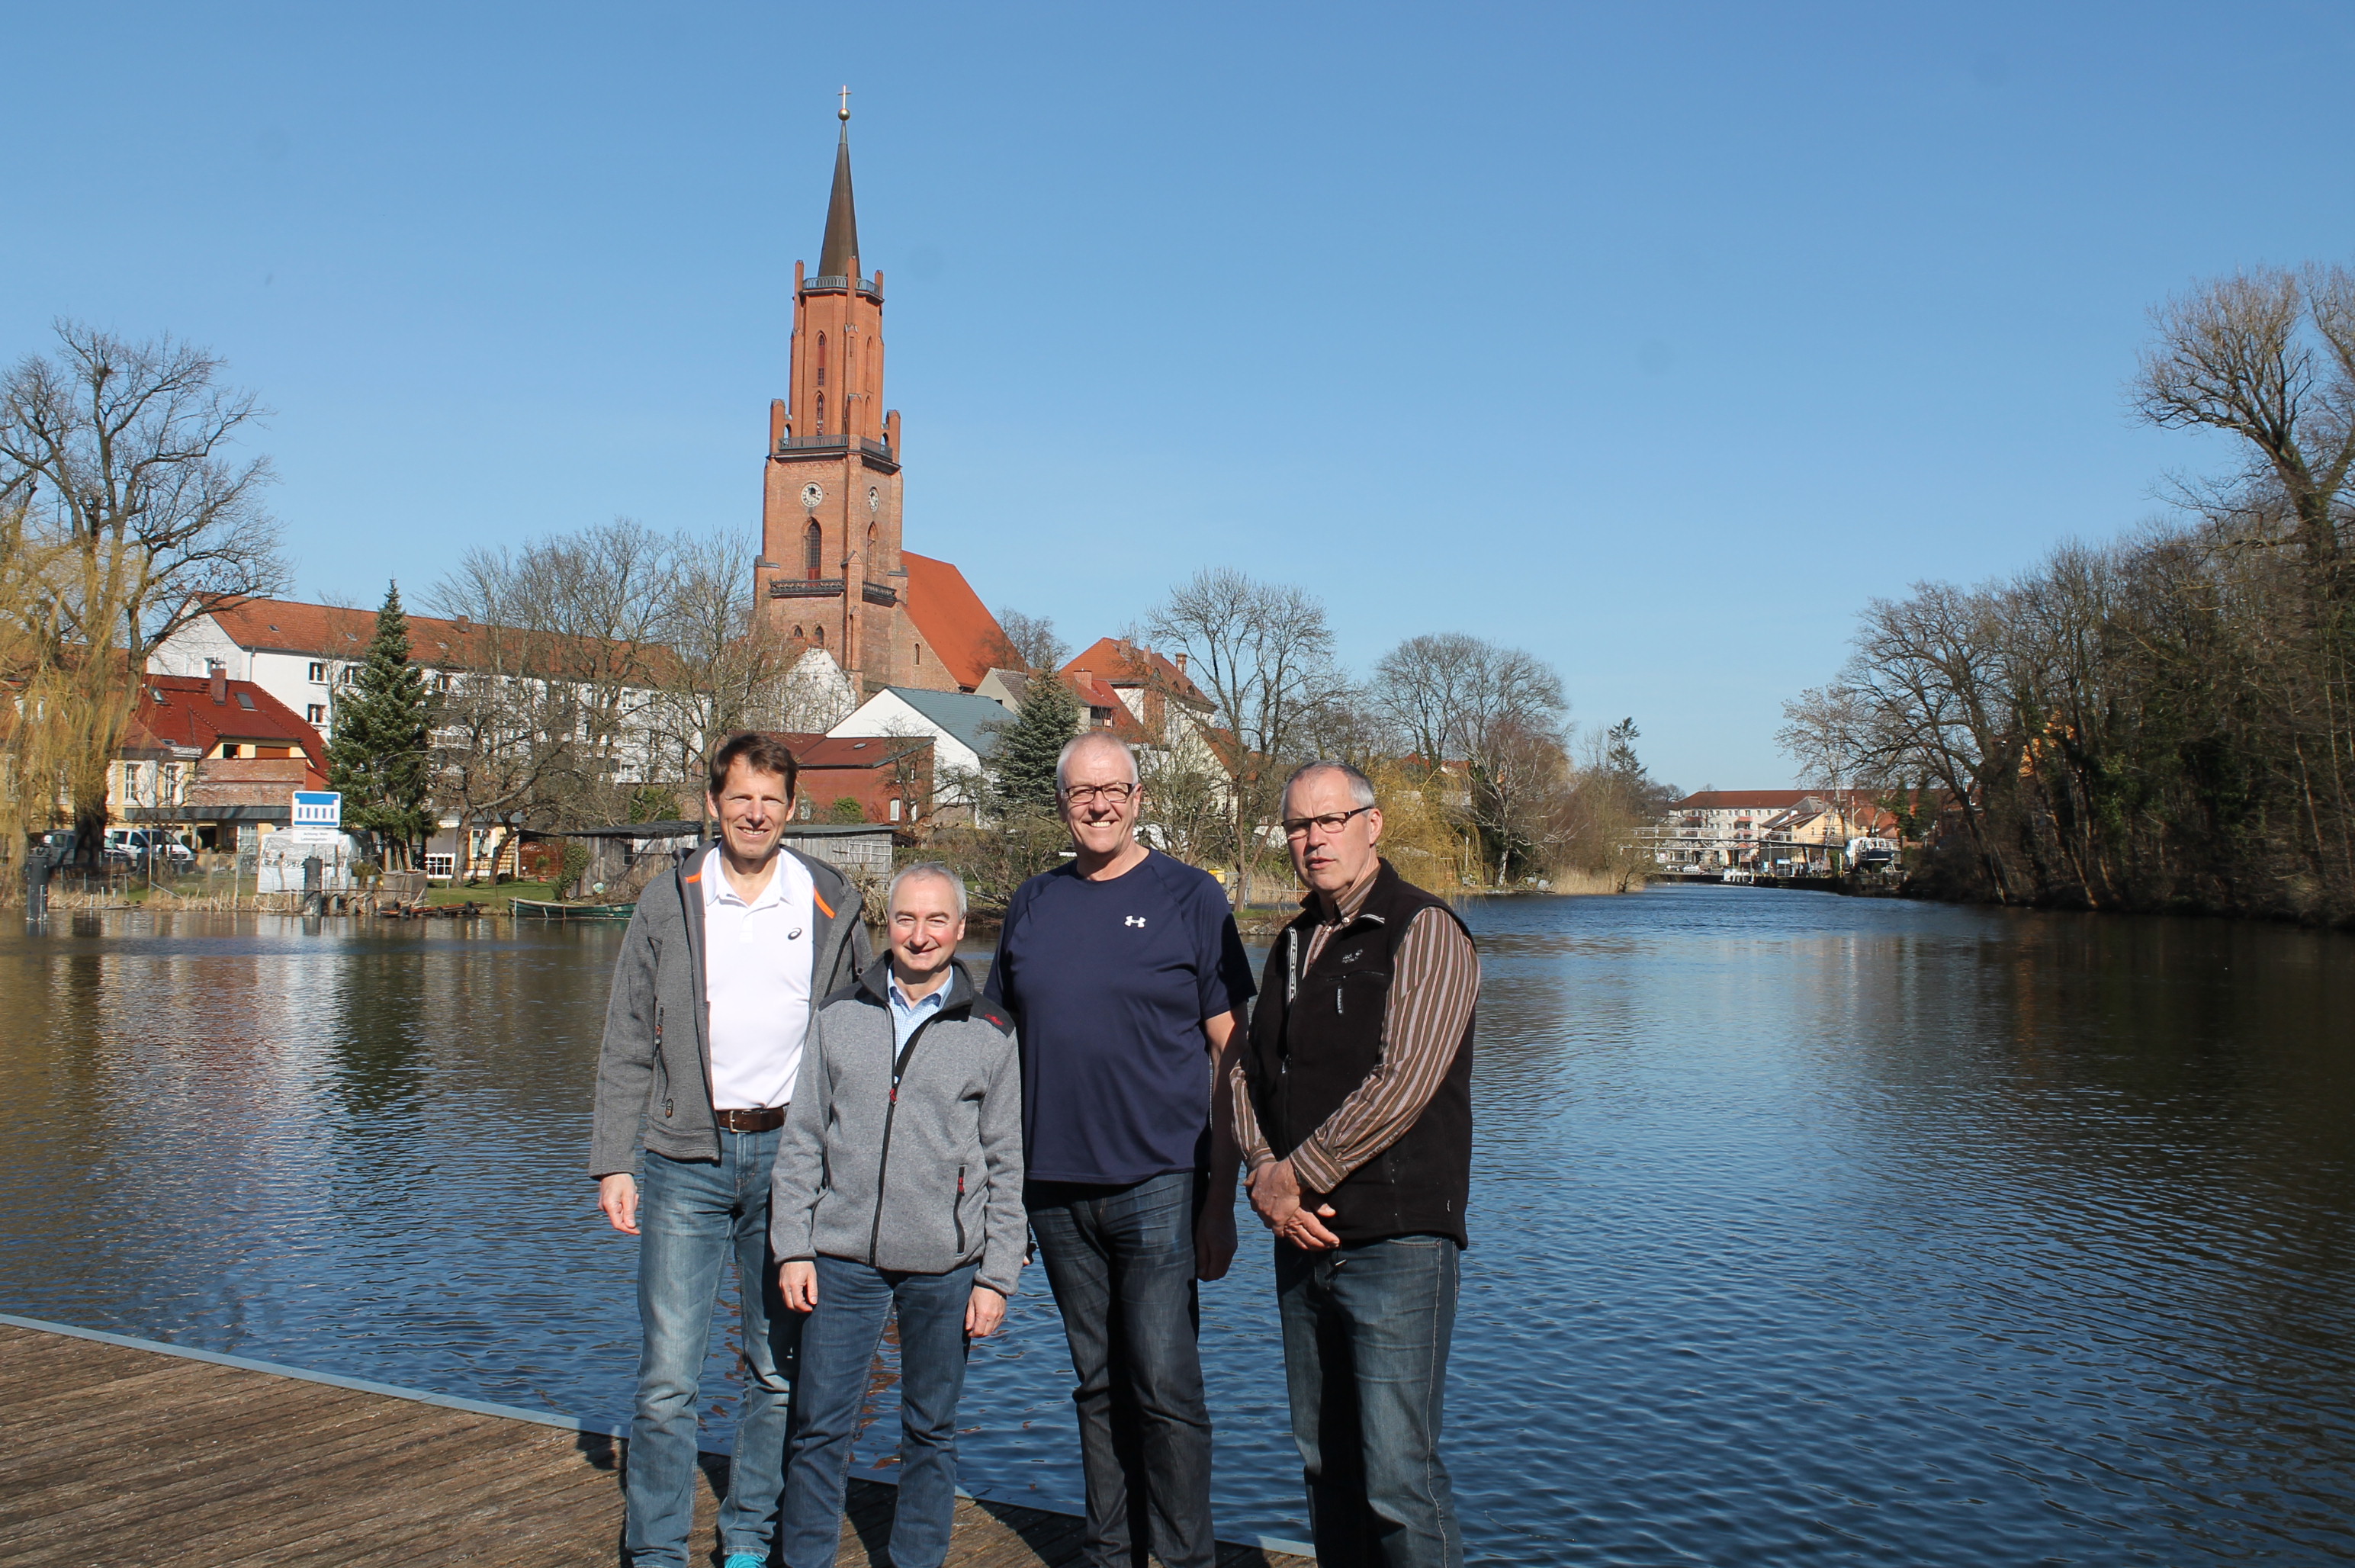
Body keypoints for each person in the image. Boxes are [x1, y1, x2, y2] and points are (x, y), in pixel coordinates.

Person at [589, 731, 872, 1568]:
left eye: (770, 801)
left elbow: (860, 1038)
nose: (755, 813)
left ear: (792, 810)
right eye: (740, 797)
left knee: (776, 1370)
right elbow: (627, 1035)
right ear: (713, 803)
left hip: (791, 1160)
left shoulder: (827, 900)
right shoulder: (669, 897)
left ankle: (748, 1536)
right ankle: (656, 1548)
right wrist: (614, 1158)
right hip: (685, 1159)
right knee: (669, 1376)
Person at [985, 731, 1257, 1568]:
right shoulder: (1033, 901)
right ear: (1061, 804)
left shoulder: (1190, 896)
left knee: (1165, 1387)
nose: (1097, 804)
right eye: (1079, 792)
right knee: (1097, 1385)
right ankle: (1110, 1551)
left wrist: (1220, 1197)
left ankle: (1180, 1558)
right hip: (1053, 1187)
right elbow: (991, 1043)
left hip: (1160, 1183)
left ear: (1139, 798)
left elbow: (1233, 1050)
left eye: (1113, 790)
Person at [1234, 760, 1482, 1568]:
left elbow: (1404, 1081)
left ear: (1372, 824)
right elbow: (1245, 1068)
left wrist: (1293, 1173)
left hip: (1397, 1241)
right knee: (1324, 1462)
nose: (1314, 839)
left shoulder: (1425, 929)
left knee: (1397, 1476)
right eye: (1299, 825)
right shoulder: (1294, 942)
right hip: (1300, 1241)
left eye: (1330, 820)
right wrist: (1266, 1174)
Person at [769, 862, 1025, 1568]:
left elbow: (1008, 1164)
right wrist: (793, 1246)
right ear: (889, 923)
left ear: (960, 928)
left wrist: (996, 1276)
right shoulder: (837, 1020)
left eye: (937, 919)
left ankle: (916, 1560)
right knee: (819, 1429)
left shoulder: (992, 1033)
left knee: (931, 1431)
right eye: (907, 918)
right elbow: (801, 1143)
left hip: (946, 1270)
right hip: (841, 1262)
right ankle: (806, 1559)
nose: (920, 934)